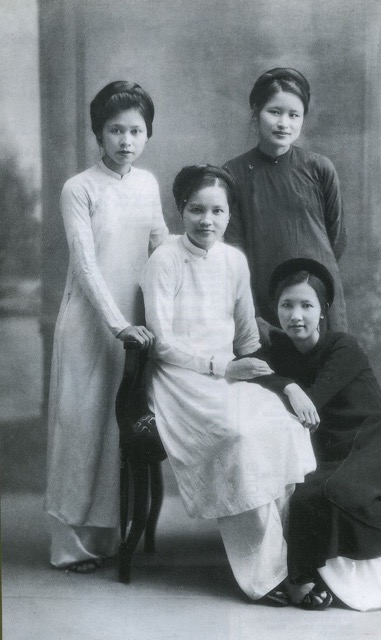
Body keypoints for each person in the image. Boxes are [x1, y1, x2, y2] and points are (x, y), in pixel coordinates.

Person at [140, 165, 316, 604]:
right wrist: (222, 366)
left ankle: (298, 563)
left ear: (228, 212)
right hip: (178, 380)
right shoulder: (164, 259)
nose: (207, 221)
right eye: (197, 209)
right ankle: (265, 576)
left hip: (226, 376)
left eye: (217, 210)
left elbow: (249, 338)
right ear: (180, 209)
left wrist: (278, 381)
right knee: (238, 437)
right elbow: (161, 345)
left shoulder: (233, 260)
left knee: (281, 426)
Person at [255, 257, 381, 614]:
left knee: (336, 493)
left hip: (379, 443)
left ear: (323, 311)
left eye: (306, 305)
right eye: (287, 305)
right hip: (335, 454)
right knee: (303, 498)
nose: (296, 315)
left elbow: (313, 399)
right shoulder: (279, 352)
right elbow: (250, 371)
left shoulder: (343, 347)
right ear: (276, 308)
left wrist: (296, 391)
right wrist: (286, 385)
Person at [45, 81, 169, 573]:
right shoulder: (79, 188)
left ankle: (105, 537)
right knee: (79, 426)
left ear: (147, 134)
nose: (125, 140)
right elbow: (87, 265)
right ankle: (67, 545)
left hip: (133, 328)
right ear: (99, 132)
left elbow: (161, 245)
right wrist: (118, 325)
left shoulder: (147, 184)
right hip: (89, 323)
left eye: (136, 130)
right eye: (115, 130)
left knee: (115, 431)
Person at [223, 67, 347, 335]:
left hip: (318, 296)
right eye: (274, 112)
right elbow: (232, 251)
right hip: (264, 299)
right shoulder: (234, 173)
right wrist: (252, 312)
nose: (284, 123)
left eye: (294, 115)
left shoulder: (320, 168)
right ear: (256, 113)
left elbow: (335, 239)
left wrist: (311, 281)